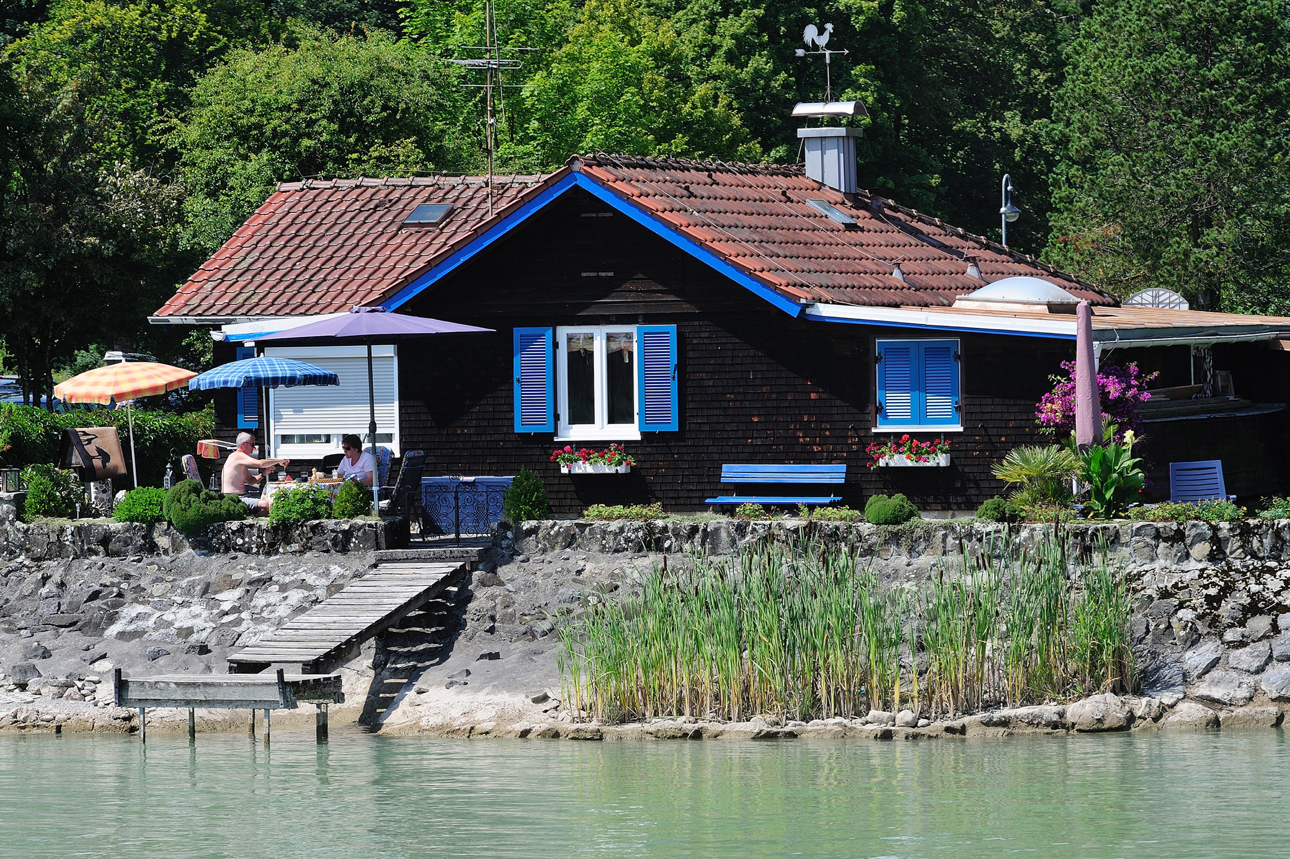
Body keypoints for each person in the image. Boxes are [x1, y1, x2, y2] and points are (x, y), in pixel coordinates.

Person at [221, 431, 290, 512]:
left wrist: (264, 473)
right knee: (266, 505)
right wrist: (279, 461)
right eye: (252, 445)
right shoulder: (237, 456)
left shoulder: (239, 462)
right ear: (244, 444)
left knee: (267, 504)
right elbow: (260, 464)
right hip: (233, 498)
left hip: (242, 496)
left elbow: (251, 481)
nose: (254, 448)